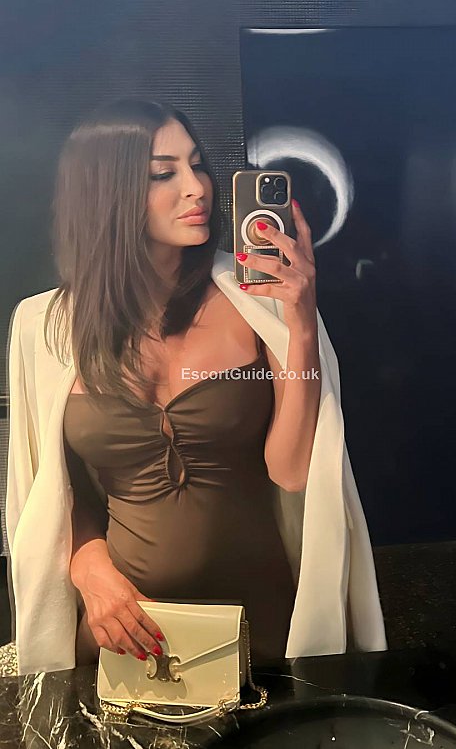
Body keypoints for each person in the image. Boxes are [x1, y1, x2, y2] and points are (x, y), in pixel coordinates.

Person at [4, 98, 387, 676]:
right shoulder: (44, 327)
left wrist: (302, 324)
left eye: (197, 164)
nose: (197, 187)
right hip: (126, 630)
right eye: (164, 173)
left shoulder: (257, 301)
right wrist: (92, 575)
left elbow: (292, 471)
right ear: (106, 192)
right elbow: (53, 494)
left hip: (260, 621)